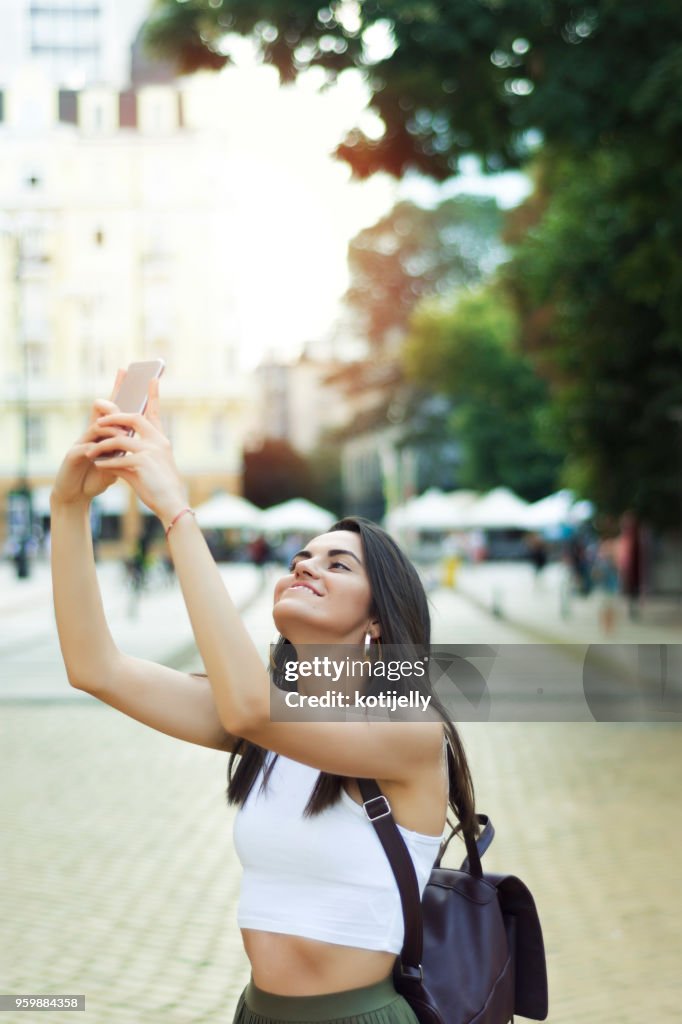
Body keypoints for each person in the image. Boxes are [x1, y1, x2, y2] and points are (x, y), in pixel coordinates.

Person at [49, 373, 479, 1024]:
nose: (305, 565)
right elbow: (95, 667)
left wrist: (178, 513)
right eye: (303, 556)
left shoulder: (409, 729)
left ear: (378, 623)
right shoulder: (266, 721)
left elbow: (249, 705)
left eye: (338, 564)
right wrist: (68, 508)